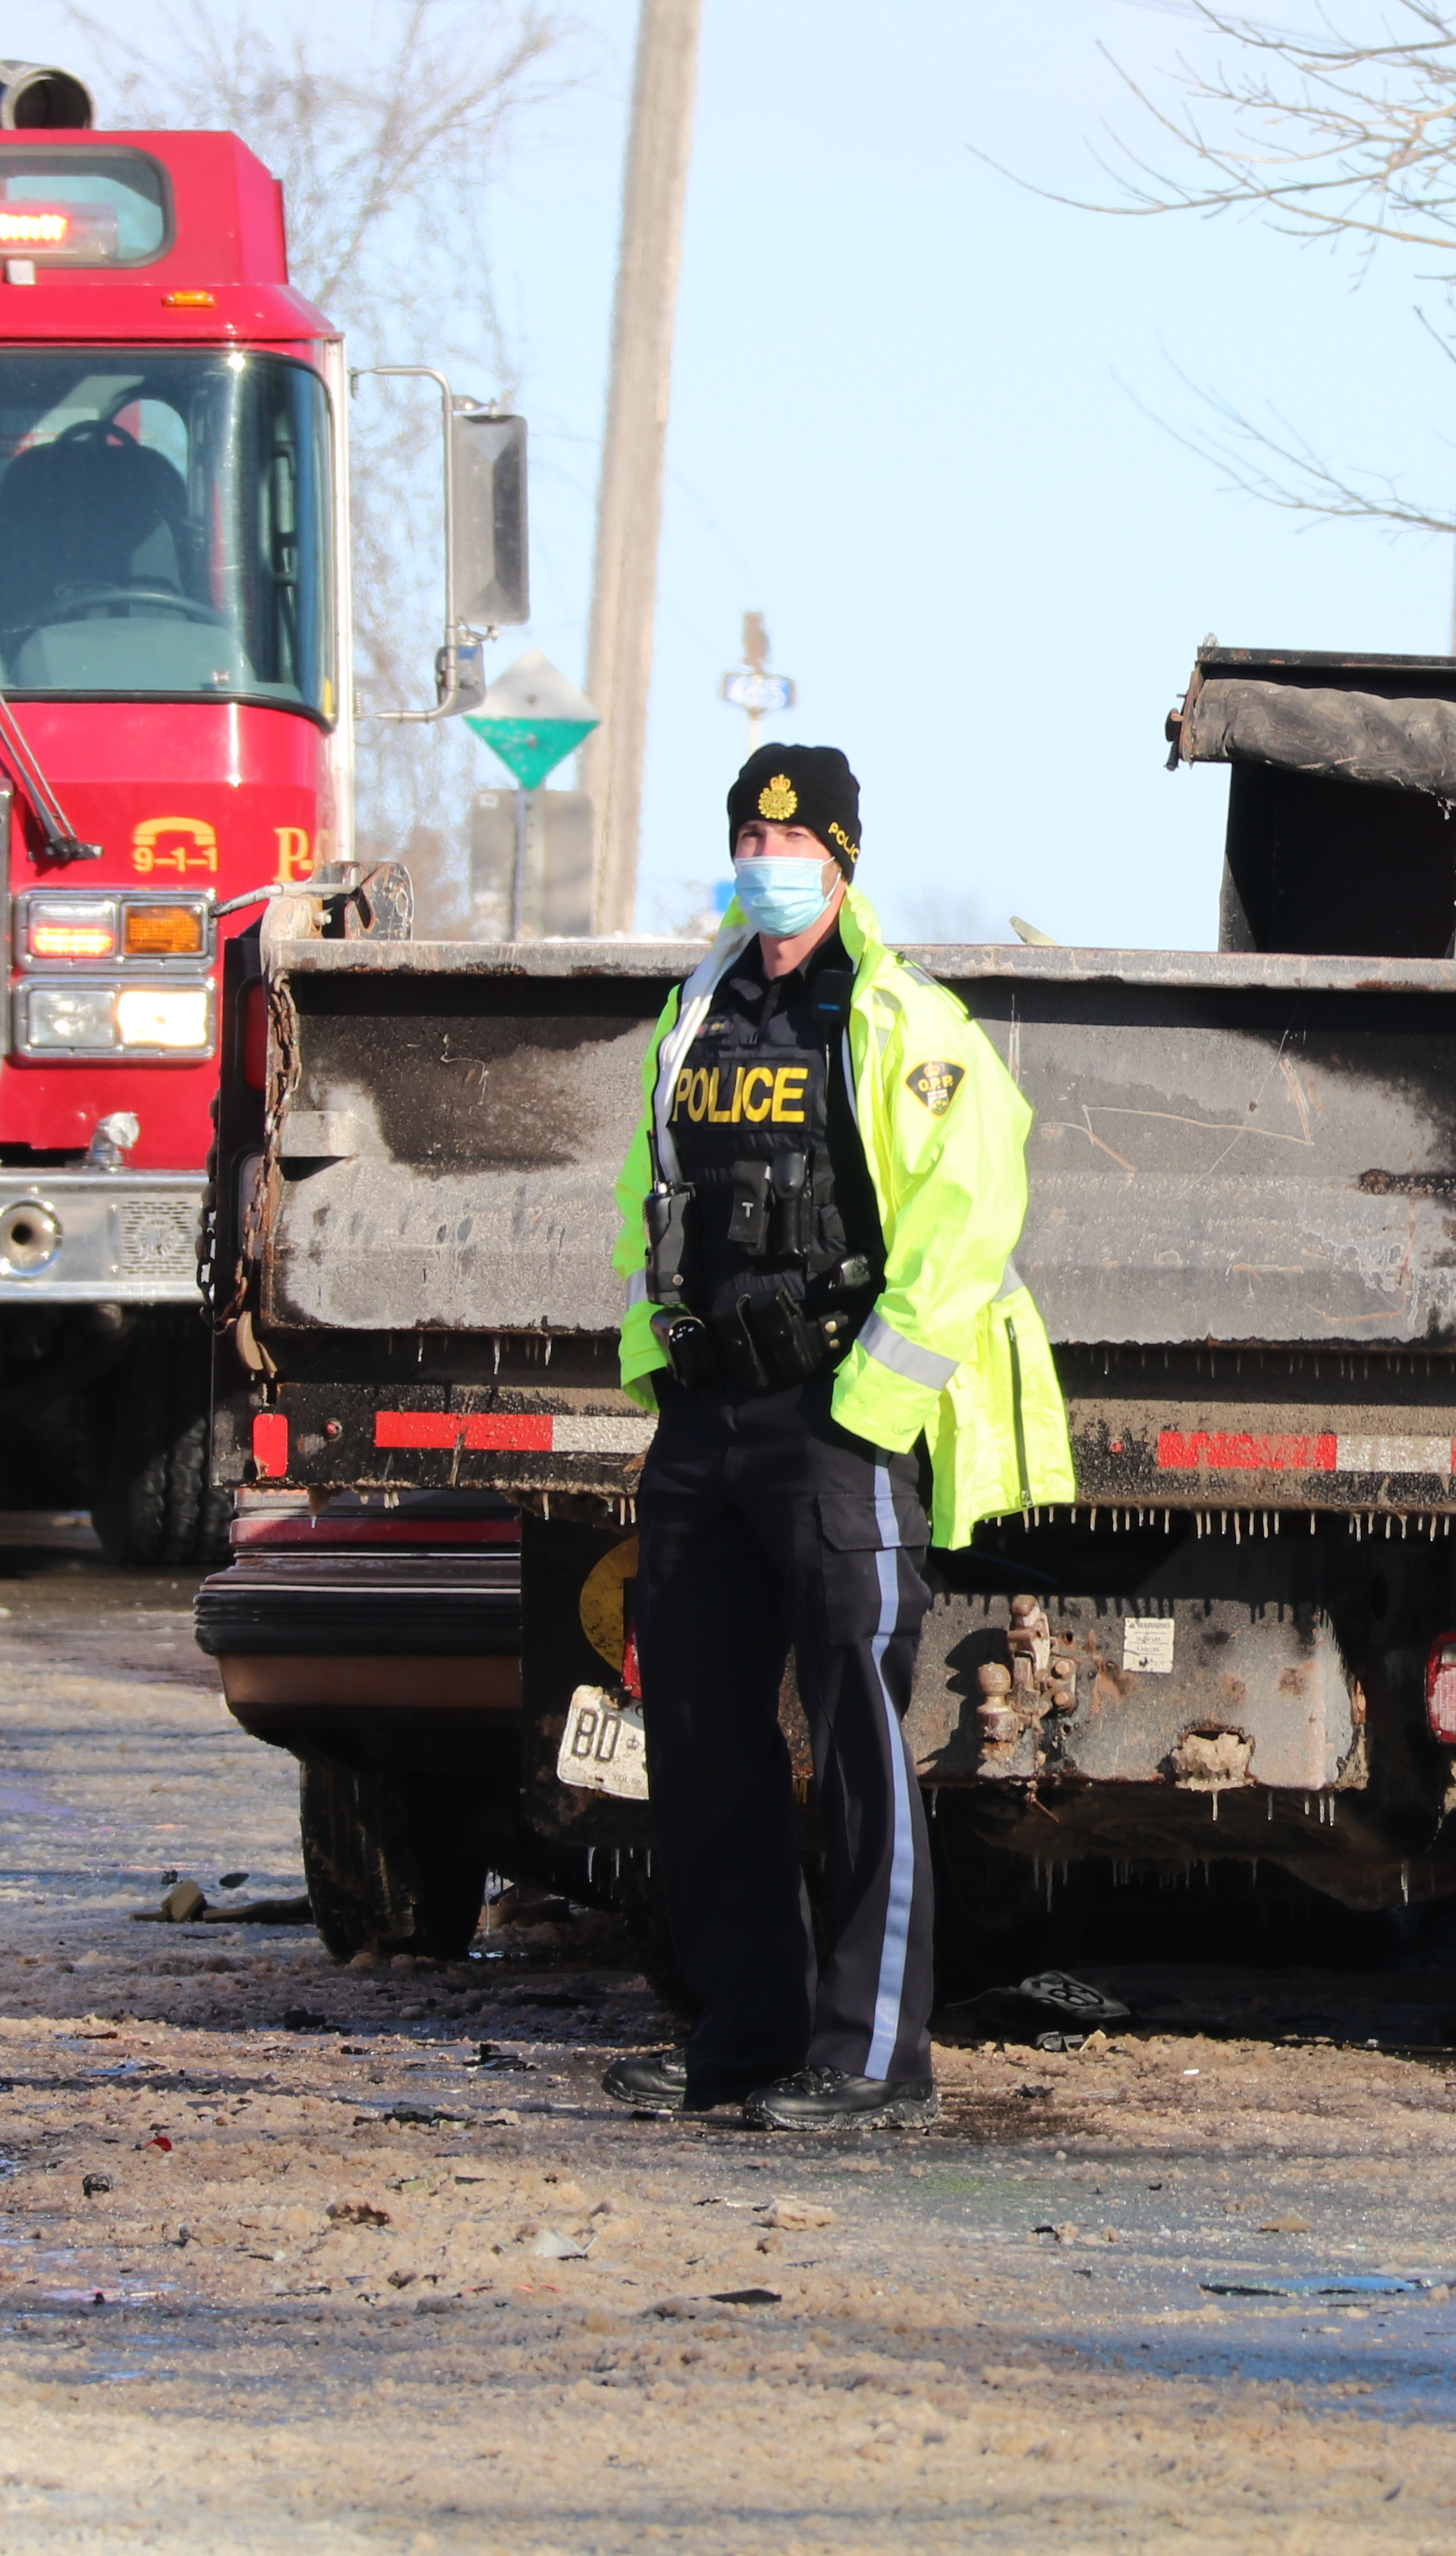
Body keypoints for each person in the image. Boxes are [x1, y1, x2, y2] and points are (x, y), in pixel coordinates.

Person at [601, 747, 1073, 2133]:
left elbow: (967, 1219)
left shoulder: (902, 1018)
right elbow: (655, 1196)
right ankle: (741, 2038)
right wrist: (655, 1362)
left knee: (862, 1740)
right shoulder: (694, 1012)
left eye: (791, 836)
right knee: (696, 1737)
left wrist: (868, 1405)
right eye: (748, 830)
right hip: (703, 1423)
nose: (768, 855)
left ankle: (873, 2060)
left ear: (843, 858)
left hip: (834, 1423)